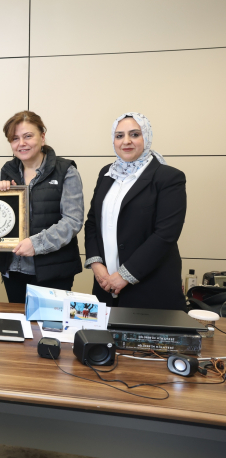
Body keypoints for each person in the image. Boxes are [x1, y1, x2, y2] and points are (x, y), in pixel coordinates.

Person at [85, 112, 187, 310]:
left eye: (134, 134)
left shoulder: (168, 177)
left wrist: (124, 275)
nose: (126, 141)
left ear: (146, 137)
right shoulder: (106, 173)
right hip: (105, 286)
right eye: (119, 135)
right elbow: (92, 222)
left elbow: (166, 234)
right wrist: (97, 266)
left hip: (150, 289)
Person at [0, 111, 84, 303]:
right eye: (15, 138)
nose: (21, 143)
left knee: (50, 322)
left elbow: (72, 221)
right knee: (20, 321)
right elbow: (1, 220)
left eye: (28, 136)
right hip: (13, 269)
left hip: (53, 271)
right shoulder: (7, 170)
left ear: (42, 137)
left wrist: (36, 244)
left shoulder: (66, 171)